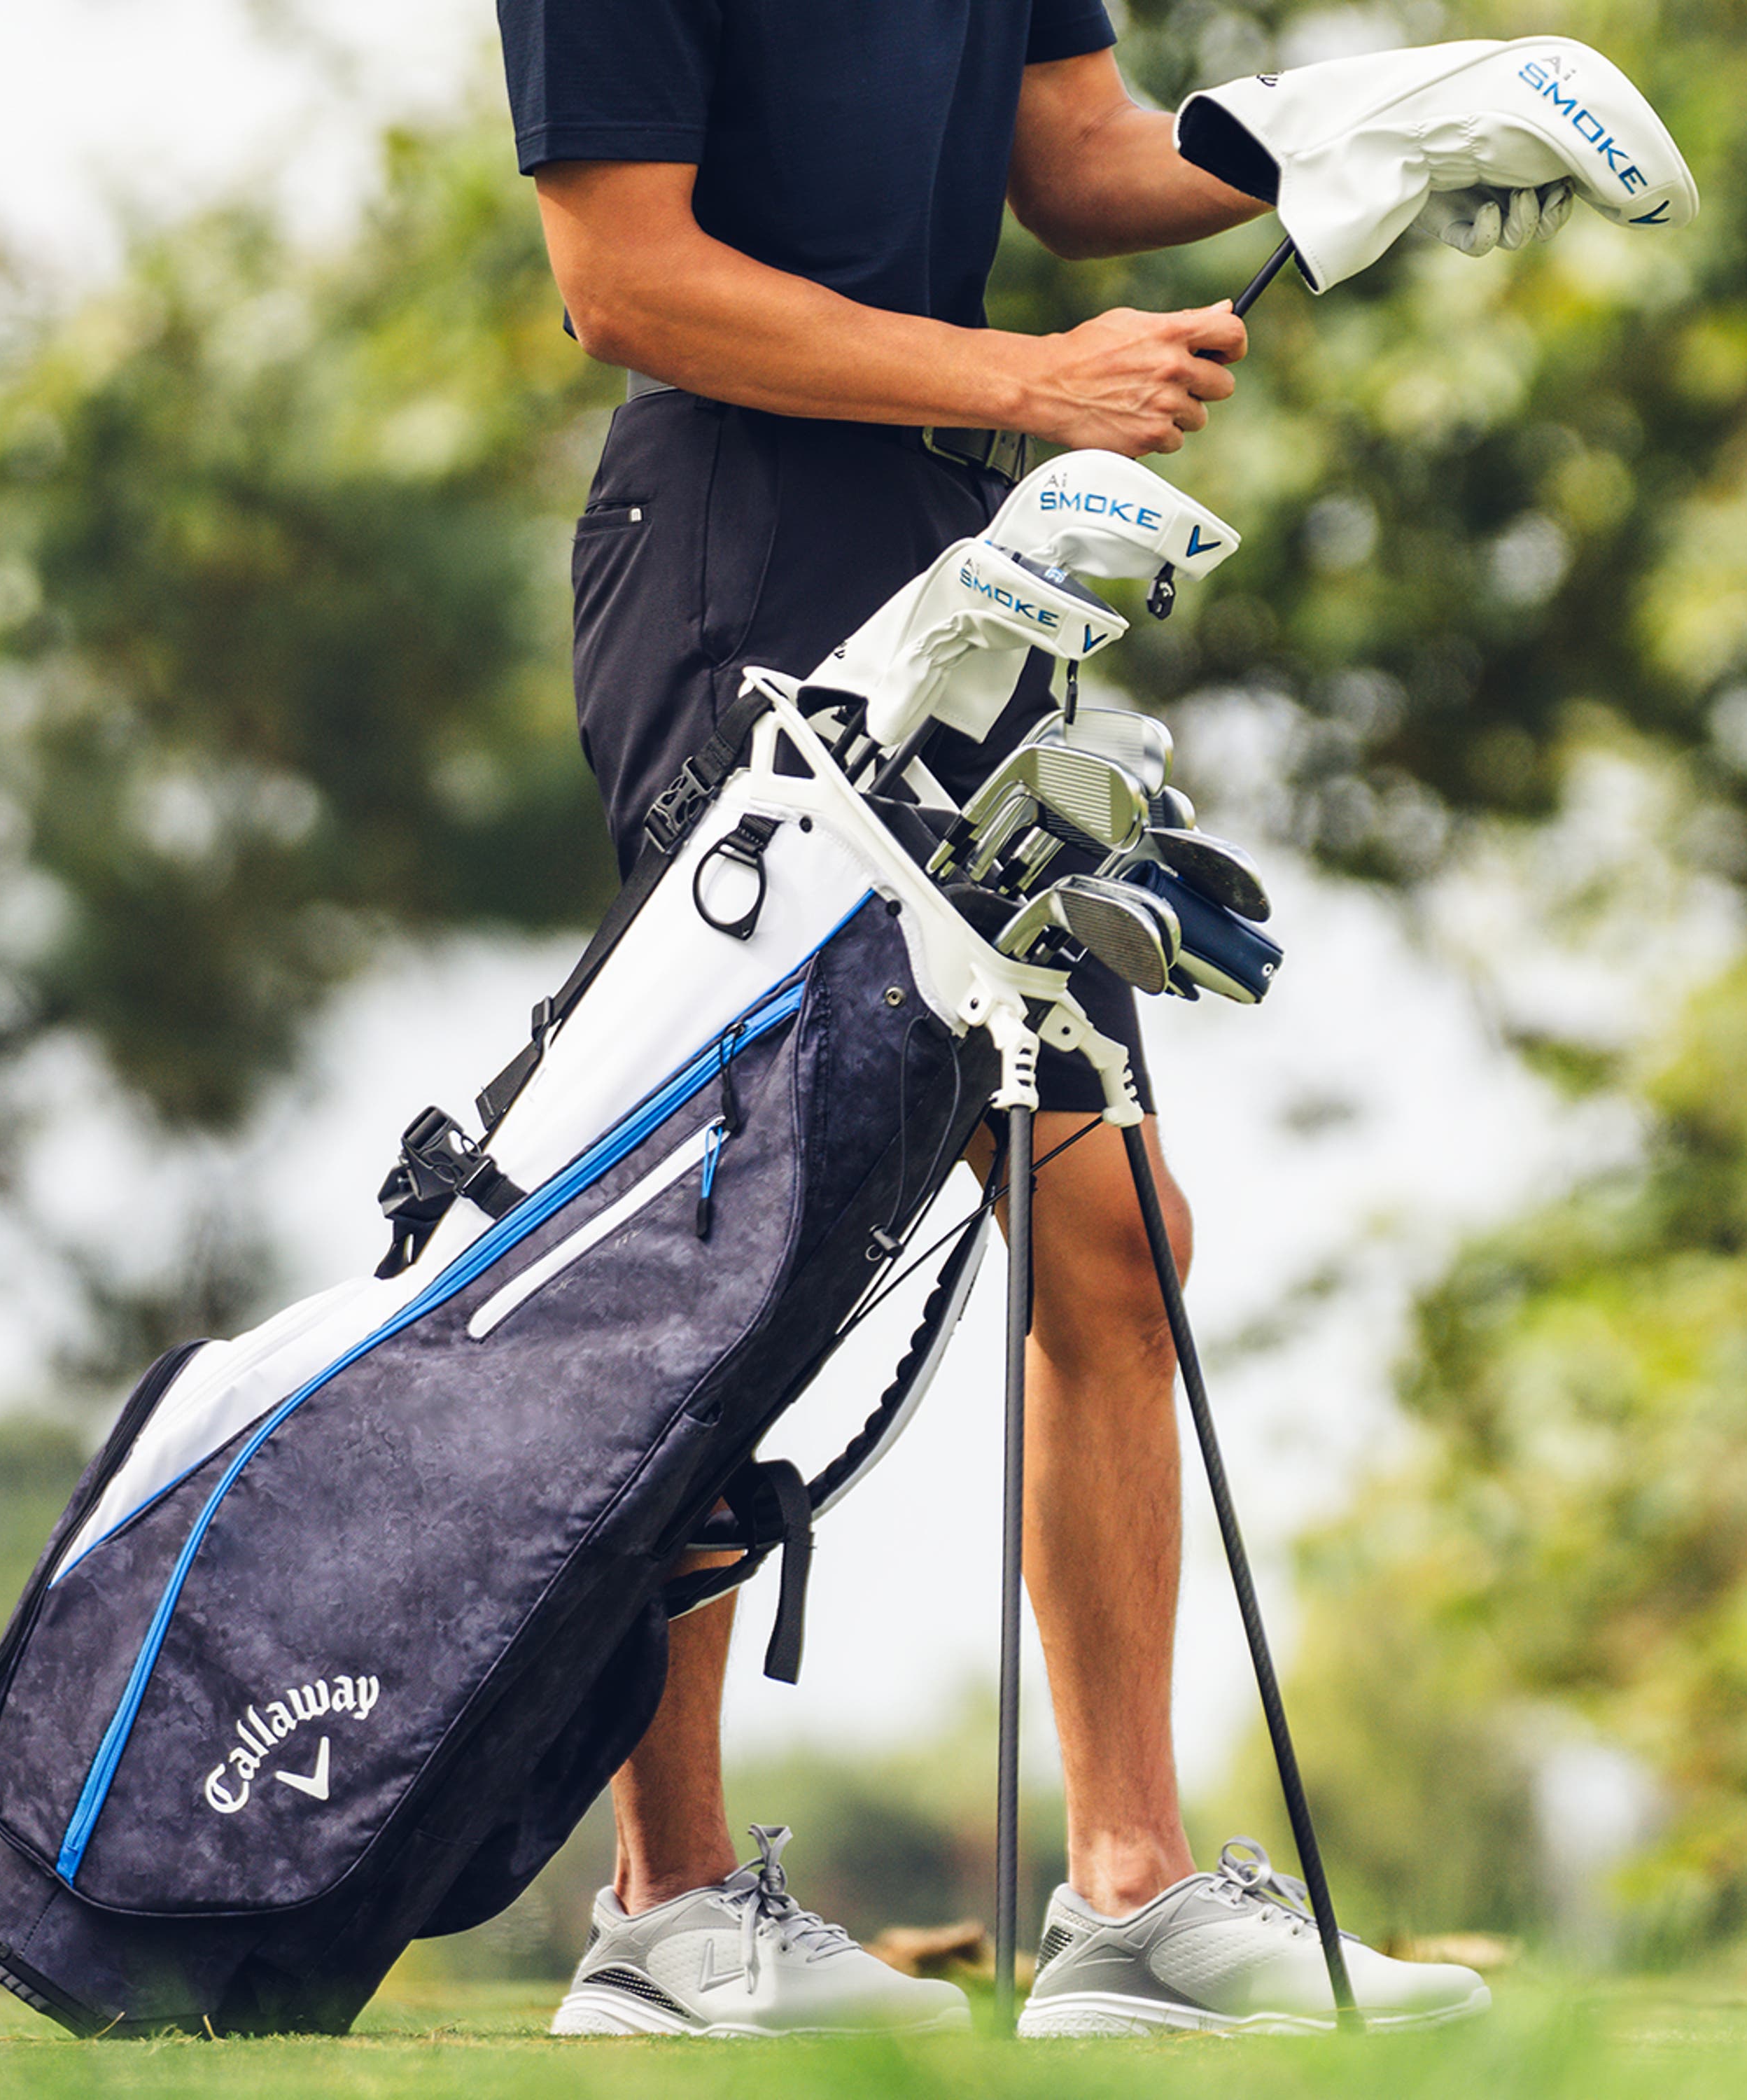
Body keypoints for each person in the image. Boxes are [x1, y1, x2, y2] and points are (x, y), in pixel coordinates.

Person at [494, 0, 1492, 2038]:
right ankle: (665, 1910)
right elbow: (621, 280)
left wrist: (1354, 126)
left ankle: (1131, 1902)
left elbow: (1079, 160)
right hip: (739, 548)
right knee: (722, 1230)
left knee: (1112, 1227)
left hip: (971, 544)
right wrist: (1033, 376)